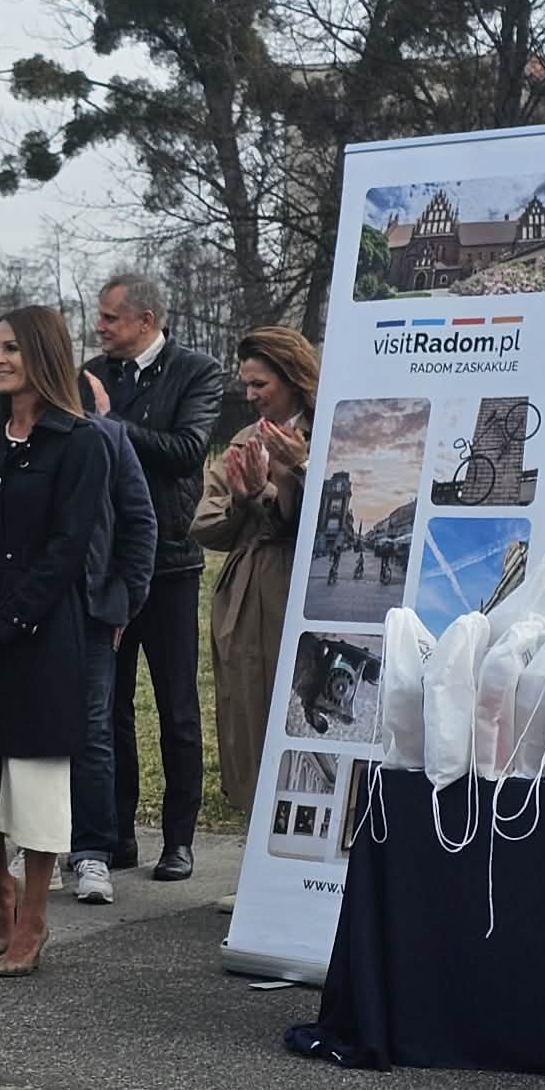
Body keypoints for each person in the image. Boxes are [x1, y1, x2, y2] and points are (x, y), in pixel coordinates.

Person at [0, 306, 110, 975]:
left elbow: (67, 550)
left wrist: (5, 623)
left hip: (38, 638)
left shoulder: (80, 442)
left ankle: (34, 919)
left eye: (12, 348)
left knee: (35, 786)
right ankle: (1, 897)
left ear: (43, 354)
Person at [81, 272, 224, 883]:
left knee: (177, 707)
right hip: (108, 567)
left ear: (146, 320)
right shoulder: (92, 373)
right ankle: (116, 834)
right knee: (107, 706)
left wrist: (109, 421)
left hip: (170, 563)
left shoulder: (197, 372)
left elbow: (186, 450)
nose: (99, 327)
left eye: (110, 318)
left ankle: (178, 840)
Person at [191, 327, 318, 858]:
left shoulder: (331, 429)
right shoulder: (246, 440)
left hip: (305, 590)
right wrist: (242, 501)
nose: (249, 395)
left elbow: (347, 512)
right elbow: (205, 524)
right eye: (245, 383)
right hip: (250, 596)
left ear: (293, 378)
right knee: (250, 718)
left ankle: (313, 859)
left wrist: (298, 471)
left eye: (259, 384)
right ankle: (258, 861)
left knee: (308, 714)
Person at [62, 380, 159, 906]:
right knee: (28, 731)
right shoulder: (5, 437)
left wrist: (124, 599)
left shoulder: (108, 438)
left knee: (92, 729)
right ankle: (35, 842)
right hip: (24, 612)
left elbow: (141, 522)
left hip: (92, 609)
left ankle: (92, 850)